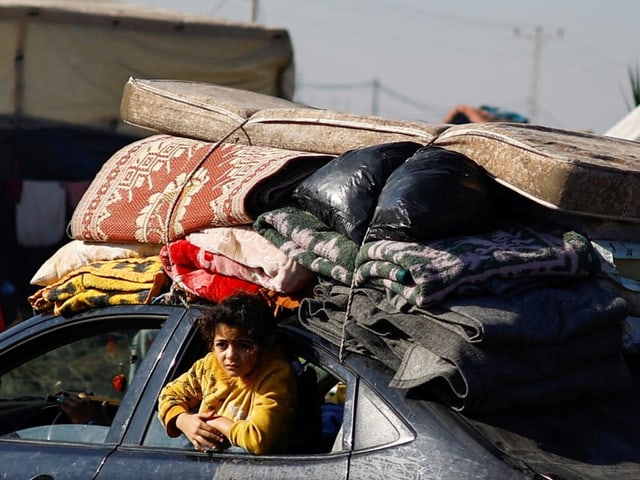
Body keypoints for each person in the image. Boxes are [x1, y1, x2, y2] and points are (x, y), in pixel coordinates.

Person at [157, 293, 297, 455]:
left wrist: (212, 422)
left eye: (243, 345)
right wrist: (184, 420)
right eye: (222, 345)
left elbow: (258, 439)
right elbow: (169, 395)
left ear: (263, 346)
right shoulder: (209, 365)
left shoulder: (275, 375)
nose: (230, 355)